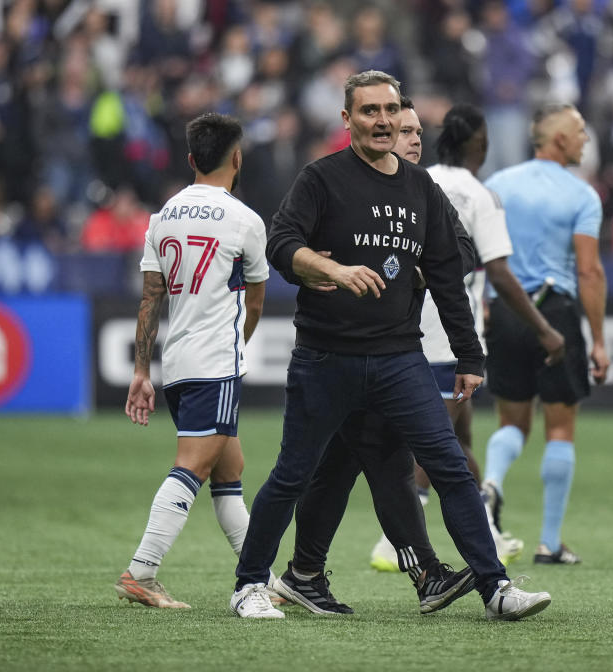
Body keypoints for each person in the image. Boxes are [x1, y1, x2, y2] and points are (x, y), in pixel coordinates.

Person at [229, 70, 552, 622]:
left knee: (449, 466)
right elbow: (282, 243)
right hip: (326, 356)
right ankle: (250, 584)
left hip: (400, 357)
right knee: (294, 473)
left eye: (390, 110)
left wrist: (470, 357)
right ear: (347, 118)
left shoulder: (420, 187)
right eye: (369, 111)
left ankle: (496, 589)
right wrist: (330, 267)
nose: (381, 120)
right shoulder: (321, 178)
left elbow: (451, 275)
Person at [370, 102, 567, 571]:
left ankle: (491, 532)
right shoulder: (480, 196)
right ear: (481, 144)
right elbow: (497, 270)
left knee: (460, 440)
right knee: (437, 444)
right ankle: (390, 541)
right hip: (451, 333)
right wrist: (545, 330)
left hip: (411, 322)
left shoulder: (414, 178)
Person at [115, 112, 269, 608]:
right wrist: (234, 348)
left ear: (190, 160)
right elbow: (258, 303)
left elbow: (149, 301)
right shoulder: (245, 220)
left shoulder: (163, 217)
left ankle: (258, 576)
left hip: (176, 364)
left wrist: (142, 371)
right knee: (193, 467)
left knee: (230, 470)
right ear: (237, 158)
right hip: (216, 363)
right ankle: (141, 570)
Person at [481, 103, 610, 566]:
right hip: (554, 310)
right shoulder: (581, 196)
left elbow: (479, 257)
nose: (585, 140)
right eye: (579, 131)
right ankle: (550, 544)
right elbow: (590, 272)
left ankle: (491, 482)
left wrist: (482, 305)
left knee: (511, 423)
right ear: (558, 141)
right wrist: (597, 338)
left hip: (506, 310)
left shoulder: (497, 186)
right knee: (560, 428)